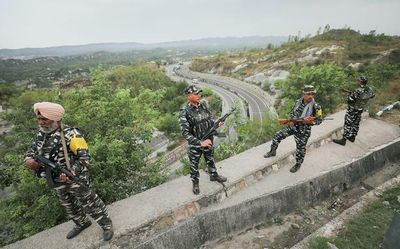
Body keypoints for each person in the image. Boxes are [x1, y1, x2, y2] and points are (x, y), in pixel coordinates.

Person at [24, 102, 114, 241]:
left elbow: (84, 158)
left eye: (45, 119)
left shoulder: (72, 134)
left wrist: (72, 171)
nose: (41, 122)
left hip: (74, 179)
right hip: (55, 180)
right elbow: (31, 152)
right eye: (39, 119)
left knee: (90, 203)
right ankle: (82, 223)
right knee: (68, 206)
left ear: (56, 119)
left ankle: (106, 225)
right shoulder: (41, 135)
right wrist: (29, 160)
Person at [179, 85, 227, 195]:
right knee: (194, 165)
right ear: (189, 96)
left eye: (199, 93)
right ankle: (195, 183)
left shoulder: (203, 106)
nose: (199, 95)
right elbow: (185, 133)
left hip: (208, 141)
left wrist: (217, 123)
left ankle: (214, 175)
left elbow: (209, 120)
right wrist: (200, 142)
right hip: (196, 145)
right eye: (196, 94)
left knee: (210, 159)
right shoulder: (184, 112)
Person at [264, 85, 322, 173]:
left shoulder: (316, 106)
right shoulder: (298, 102)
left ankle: (298, 164)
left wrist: (310, 122)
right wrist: (290, 120)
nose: (311, 96)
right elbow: (292, 112)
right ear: (304, 94)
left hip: (303, 131)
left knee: (300, 149)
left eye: (313, 94)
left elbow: (319, 120)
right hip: (293, 126)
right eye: (308, 94)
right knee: (277, 136)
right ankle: (273, 151)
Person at [333, 76, 375, 146]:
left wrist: (348, 95)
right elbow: (372, 96)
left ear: (361, 82)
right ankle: (352, 137)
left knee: (348, 123)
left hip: (353, 109)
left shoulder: (358, 90)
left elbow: (349, 100)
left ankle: (343, 140)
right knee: (356, 123)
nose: (357, 81)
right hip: (360, 109)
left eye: (358, 80)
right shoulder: (369, 89)